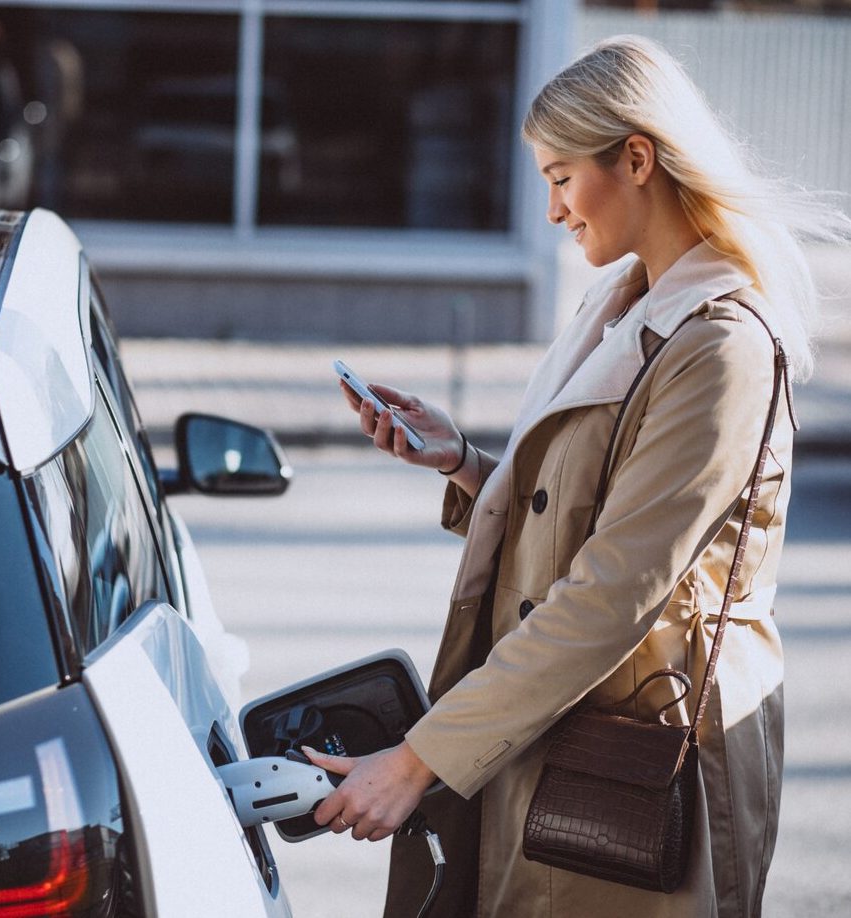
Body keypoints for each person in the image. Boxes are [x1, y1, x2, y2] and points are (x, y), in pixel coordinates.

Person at [303, 34, 851, 918]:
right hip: (560, 735)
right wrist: (467, 463)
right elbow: (591, 517)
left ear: (636, 158)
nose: (553, 210)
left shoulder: (720, 345)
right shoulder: (626, 302)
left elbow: (613, 591)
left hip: (636, 763)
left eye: (562, 177)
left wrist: (417, 761)